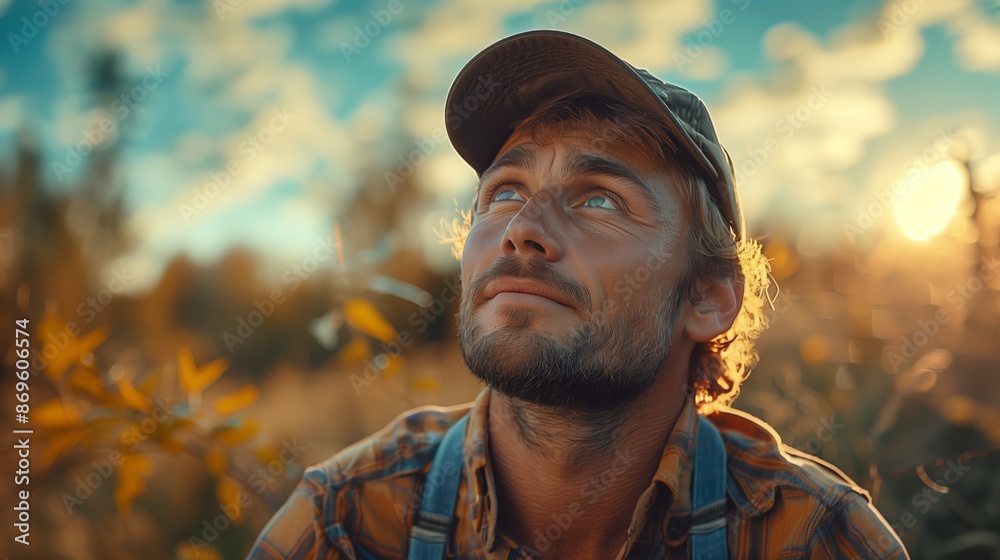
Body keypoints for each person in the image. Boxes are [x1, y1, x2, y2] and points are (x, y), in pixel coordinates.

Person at [247, 30, 908, 559]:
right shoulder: (346, 522)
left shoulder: (819, 538)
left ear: (707, 296)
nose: (522, 231)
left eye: (599, 199)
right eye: (504, 191)